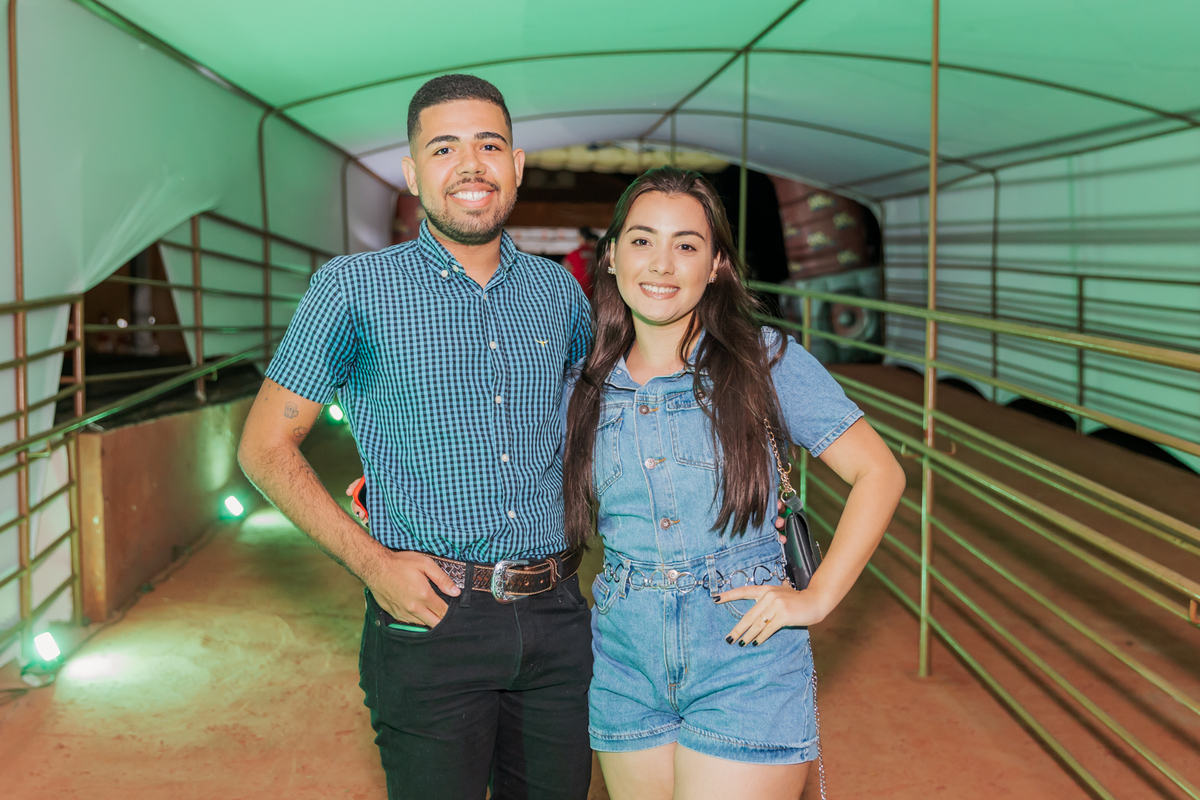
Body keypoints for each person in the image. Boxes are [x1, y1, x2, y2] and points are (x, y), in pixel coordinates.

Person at [237, 74, 594, 800]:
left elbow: (601, 422)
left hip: (558, 615)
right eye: (444, 148)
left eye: (489, 145)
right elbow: (263, 449)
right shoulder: (352, 288)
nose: (470, 165)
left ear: (516, 165)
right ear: (412, 172)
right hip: (432, 619)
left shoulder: (560, 292)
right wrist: (374, 565)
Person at [560, 167, 906, 800]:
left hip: (744, 659)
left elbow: (878, 471)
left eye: (686, 245)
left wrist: (817, 598)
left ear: (716, 264)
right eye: (642, 240)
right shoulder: (583, 384)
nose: (662, 263)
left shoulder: (762, 359)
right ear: (610, 255)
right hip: (624, 660)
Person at [564, 226, 599, 298]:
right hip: (592, 291)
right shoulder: (595, 254)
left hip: (577, 291)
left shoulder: (575, 253)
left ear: (581, 237)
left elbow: (564, 270)